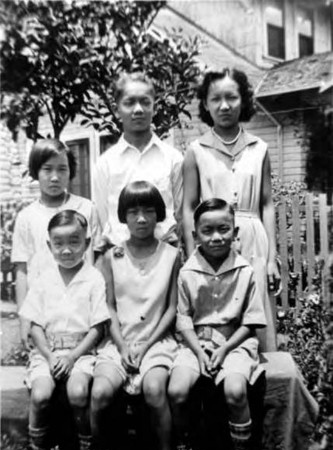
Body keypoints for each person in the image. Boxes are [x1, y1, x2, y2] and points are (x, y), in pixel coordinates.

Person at [168, 199, 266, 450]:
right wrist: (199, 352)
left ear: (235, 231)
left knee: (235, 390)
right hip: (196, 344)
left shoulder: (245, 271)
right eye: (207, 231)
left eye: (223, 229)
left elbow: (251, 322)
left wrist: (223, 352)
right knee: (177, 389)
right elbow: (183, 320)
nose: (216, 237)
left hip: (234, 344)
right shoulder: (187, 272)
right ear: (195, 235)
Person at [90, 181, 180, 450]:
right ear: (123, 217)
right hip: (119, 342)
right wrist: (125, 345)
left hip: (157, 343)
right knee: (100, 392)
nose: (141, 218)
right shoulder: (112, 257)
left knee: (155, 388)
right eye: (133, 211)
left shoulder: (171, 255)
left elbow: (171, 309)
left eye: (148, 211)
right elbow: (109, 307)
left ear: (159, 214)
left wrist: (147, 345)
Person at [182, 68, 281, 351]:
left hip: (252, 241)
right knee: (216, 321)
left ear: (243, 100)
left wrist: (272, 258)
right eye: (216, 99)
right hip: (212, 243)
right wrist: (193, 254)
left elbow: (267, 204)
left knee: (255, 317)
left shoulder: (259, 148)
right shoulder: (196, 150)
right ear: (205, 104)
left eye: (231, 97)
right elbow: (189, 207)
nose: (224, 106)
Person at [19, 210, 110, 450]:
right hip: (47, 351)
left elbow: (97, 328)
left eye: (74, 242)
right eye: (58, 244)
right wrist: (49, 356)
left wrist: (71, 357)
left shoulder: (93, 278)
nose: (67, 250)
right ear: (49, 246)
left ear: (87, 243)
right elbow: (35, 325)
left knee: (78, 391)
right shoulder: (44, 279)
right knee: (41, 394)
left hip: (81, 352)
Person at [11, 138, 102, 348]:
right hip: (42, 311)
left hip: (82, 312)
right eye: (47, 169)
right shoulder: (26, 217)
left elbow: (97, 261)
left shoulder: (86, 208)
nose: (54, 177)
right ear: (35, 172)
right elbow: (22, 271)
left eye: (62, 169)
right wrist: (25, 320)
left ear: (71, 171)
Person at [92, 71, 183, 247]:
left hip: (165, 256)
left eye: (145, 102)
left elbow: (180, 214)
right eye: (129, 103)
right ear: (117, 108)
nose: (138, 109)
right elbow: (103, 217)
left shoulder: (173, 159)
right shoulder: (106, 163)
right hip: (120, 257)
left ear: (154, 107)